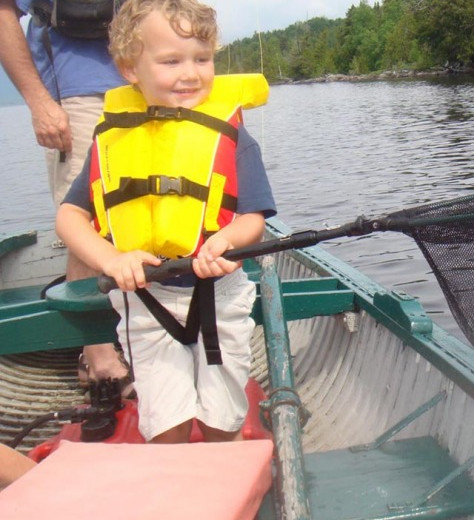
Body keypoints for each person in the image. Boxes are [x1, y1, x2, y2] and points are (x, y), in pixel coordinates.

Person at [55, 0, 276, 444]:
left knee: (223, 416)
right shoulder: (112, 140)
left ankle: (220, 475)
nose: (190, 73)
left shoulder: (231, 135)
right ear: (129, 68)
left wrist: (227, 242)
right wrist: (112, 258)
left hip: (220, 294)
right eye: (171, 61)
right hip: (146, 300)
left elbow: (252, 217)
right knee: (164, 422)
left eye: (202, 59)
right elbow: (70, 216)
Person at [0, 0, 132, 389]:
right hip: (78, 95)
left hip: (152, 83)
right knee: (87, 217)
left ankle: (153, 331)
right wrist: (40, 102)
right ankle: (97, 356)